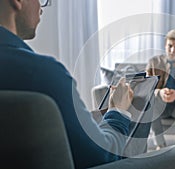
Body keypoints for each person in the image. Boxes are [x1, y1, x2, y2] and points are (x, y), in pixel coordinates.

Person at [0, 0, 137, 168]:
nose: (42, 9)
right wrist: (119, 110)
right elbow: (103, 156)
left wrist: (89, 119)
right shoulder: (43, 74)